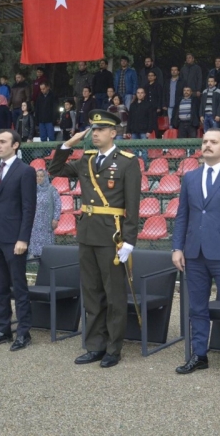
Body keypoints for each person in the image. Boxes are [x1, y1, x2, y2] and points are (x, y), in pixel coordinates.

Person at [47, 110, 141, 367]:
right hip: (87, 233)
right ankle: (95, 345)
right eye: (92, 130)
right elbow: (54, 169)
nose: (95, 134)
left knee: (114, 295)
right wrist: (68, 145)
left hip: (112, 236)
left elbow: (133, 204)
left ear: (113, 132)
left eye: (100, 129)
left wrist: (130, 240)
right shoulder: (86, 160)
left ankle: (113, 348)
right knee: (91, 293)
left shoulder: (127, 162)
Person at [172, 128, 220, 380]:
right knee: (197, 308)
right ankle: (199, 355)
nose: (207, 145)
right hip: (194, 253)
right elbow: (182, 215)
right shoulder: (190, 178)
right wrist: (177, 247)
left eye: (213, 142)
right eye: (205, 141)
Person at [0, 130, 37, 351]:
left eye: (3, 142)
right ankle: (3, 329)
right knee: (0, 287)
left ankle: (23, 332)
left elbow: (28, 208)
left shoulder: (26, 172)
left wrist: (24, 238)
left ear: (15, 145)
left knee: (19, 286)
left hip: (14, 240)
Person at [29, 169, 61, 257]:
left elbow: (57, 205)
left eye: (41, 176)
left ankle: (46, 256)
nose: (39, 178)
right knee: (34, 237)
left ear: (46, 177)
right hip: (34, 220)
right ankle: (34, 255)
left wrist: (55, 219)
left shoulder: (51, 190)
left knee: (46, 238)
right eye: (37, 176)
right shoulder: (33, 189)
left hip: (47, 220)